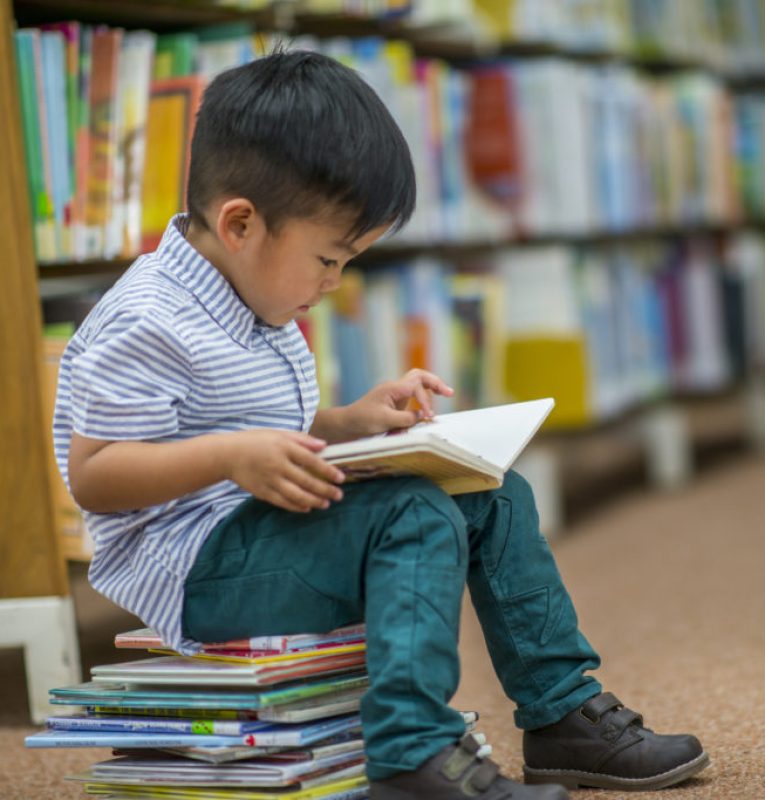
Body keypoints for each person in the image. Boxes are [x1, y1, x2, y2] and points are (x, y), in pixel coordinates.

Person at [52, 51, 709, 798]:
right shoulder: (147, 321)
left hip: (262, 524)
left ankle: (562, 717)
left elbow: (267, 430)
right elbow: (96, 475)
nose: (333, 284)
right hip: (197, 569)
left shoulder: (250, 292)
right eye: (329, 259)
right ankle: (412, 756)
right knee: (412, 514)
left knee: (492, 492)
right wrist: (231, 456)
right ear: (240, 223)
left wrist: (347, 421)